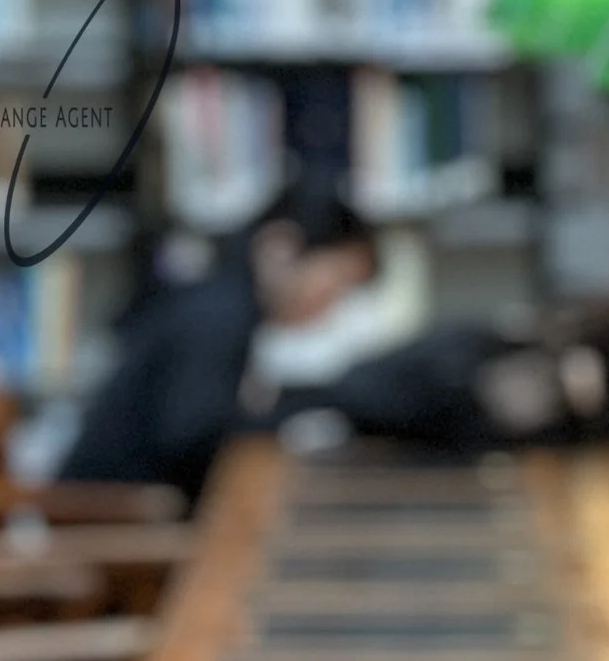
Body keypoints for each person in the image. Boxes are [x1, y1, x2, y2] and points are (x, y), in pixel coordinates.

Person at [55, 176, 417, 499]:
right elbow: (192, 438)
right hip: (113, 519)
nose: (331, 306)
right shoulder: (218, 316)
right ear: (280, 247)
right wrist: (302, 412)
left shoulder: (221, 302)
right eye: (336, 281)